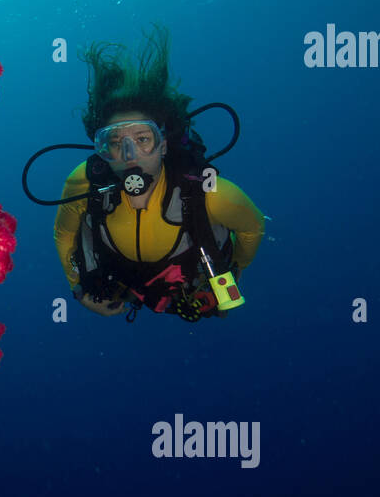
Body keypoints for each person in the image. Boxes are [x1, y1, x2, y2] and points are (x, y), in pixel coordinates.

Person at [51, 28, 266, 320]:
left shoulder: (209, 192)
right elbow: (64, 233)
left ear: (163, 145)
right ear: (101, 148)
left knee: (223, 309)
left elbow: (252, 227)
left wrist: (235, 271)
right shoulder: (85, 181)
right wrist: (78, 290)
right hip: (125, 283)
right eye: (114, 143)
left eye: (142, 139)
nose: (129, 155)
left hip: (187, 284)